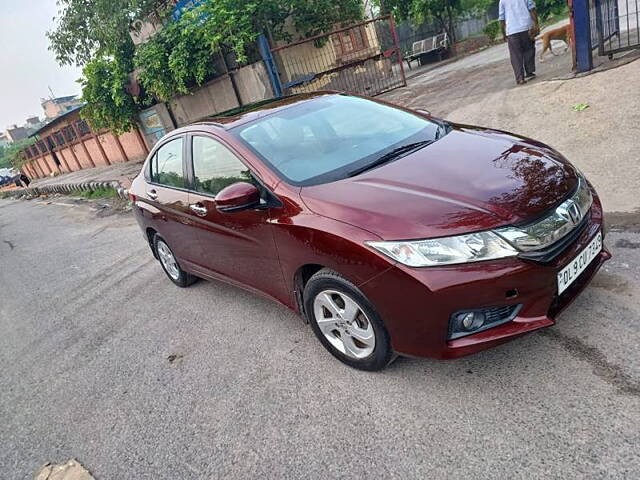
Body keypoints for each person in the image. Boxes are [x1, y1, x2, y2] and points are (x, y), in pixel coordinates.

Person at [499, 0, 540, 85]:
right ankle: (529, 72)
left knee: (515, 55)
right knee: (529, 49)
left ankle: (520, 78)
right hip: (526, 27)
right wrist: (536, 24)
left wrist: (503, 33)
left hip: (512, 30)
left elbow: (502, 18)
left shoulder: (502, 1)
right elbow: (532, 9)